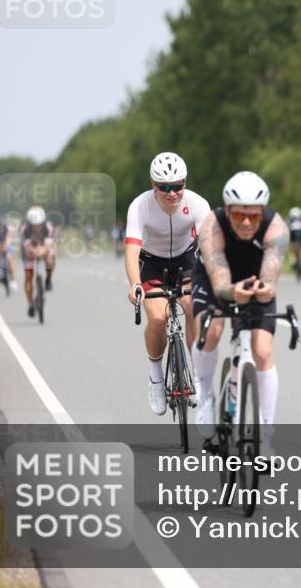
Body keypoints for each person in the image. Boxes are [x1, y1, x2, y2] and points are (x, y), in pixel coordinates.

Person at [191, 172, 288, 449]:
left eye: (254, 216)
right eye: (239, 215)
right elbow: (221, 284)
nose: (246, 222)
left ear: (263, 212)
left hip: (254, 279)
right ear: (228, 210)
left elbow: (270, 280)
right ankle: (206, 397)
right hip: (214, 280)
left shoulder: (276, 227)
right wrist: (234, 293)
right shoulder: (212, 225)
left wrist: (265, 289)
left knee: (263, 351)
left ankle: (266, 436)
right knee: (212, 330)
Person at [124, 152, 211, 416]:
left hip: (186, 259)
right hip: (152, 263)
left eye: (178, 186)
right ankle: (155, 376)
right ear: (154, 185)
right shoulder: (140, 206)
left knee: (193, 305)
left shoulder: (197, 203)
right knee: (159, 318)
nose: (172, 193)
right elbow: (131, 251)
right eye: (165, 187)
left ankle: (197, 371)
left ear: (185, 182)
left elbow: (209, 245)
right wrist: (135, 284)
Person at [19, 206, 57, 316]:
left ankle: (49, 278)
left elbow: (48, 245)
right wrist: (34, 252)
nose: (36, 227)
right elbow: (26, 246)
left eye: (39, 224)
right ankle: (30, 304)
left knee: (50, 260)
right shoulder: (24, 228)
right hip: (29, 249)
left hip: (44, 246)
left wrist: (41, 252)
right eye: (34, 225)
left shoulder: (48, 227)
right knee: (28, 276)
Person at [0, 218, 18, 292]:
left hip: (6, 243)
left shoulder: (8, 228)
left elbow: (8, 238)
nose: (1, 229)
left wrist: (5, 246)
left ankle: (13, 280)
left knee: (10, 259)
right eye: (0, 228)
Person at [287, 206, 301, 280]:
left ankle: (293, 262)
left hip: (293, 241)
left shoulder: (289, 220)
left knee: (291, 250)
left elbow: (287, 231)